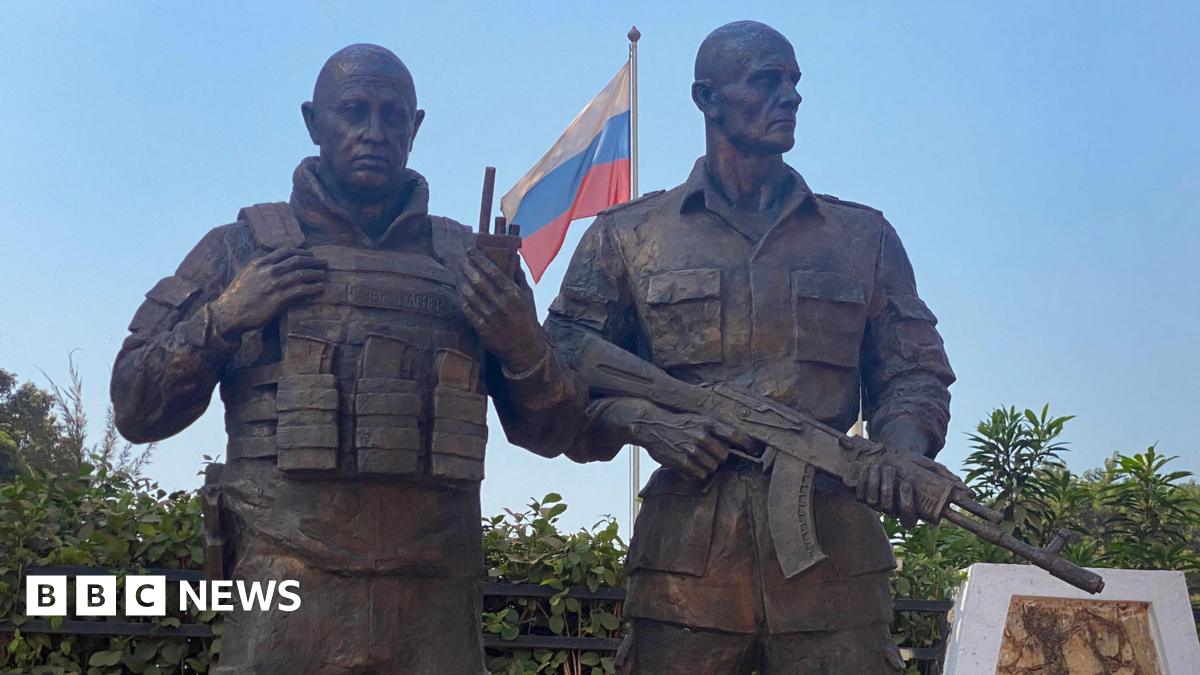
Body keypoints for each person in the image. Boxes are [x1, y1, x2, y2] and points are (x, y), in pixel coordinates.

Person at [111, 43, 582, 674]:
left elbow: (554, 432)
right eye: (353, 111)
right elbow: (137, 409)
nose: (373, 132)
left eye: (393, 116)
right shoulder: (241, 249)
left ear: (416, 129)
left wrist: (522, 345)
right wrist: (224, 317)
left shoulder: (473, 264)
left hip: (433, 601)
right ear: (313, 121)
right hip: (283, 593)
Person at [545, 21, 955, 674]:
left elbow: (913, 373)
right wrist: (645, 420)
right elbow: (559, 389)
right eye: (767, 80)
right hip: (685, 572)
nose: (790, 96)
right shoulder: (628, 237)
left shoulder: (861, 238)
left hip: (833, 566)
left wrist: (900, 454)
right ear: (706, 98)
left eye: (794, 82)